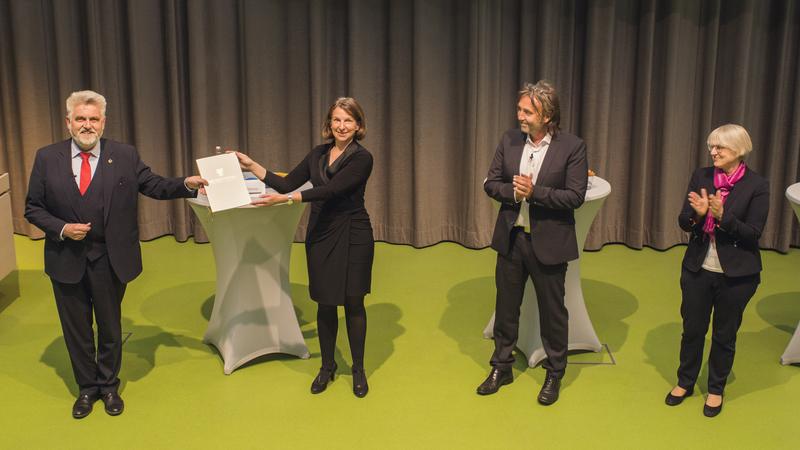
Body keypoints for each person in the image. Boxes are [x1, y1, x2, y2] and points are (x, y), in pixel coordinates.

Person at [24, 90, 207, 418]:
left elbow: (154, 185)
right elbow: (33, 208)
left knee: (109, 326)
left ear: (104, 123)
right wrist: (63, 228)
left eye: (93, 119)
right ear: (68, 122)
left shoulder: (123, 155)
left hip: (110, 259)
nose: (87, 125)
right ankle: (87, 389)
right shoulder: (45, 158)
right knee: (77, 329)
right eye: (80, 118)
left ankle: (108, 386)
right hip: (65, 259)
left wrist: (186, 184)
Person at [235, 97, 374, 398]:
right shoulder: (317, 155)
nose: (342, 126)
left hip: (353, 234)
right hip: (321, 234)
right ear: (329, 123)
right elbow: (287, 184)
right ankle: (327, 367)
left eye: (348, 120)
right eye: (337, 120)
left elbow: (332, 190)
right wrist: (253, 166)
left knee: (353, 302)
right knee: (325, 303)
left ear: (358, 126)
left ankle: (359, 370)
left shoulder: (362, 159)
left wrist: (288, 200)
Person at [479, 80, 588, 405]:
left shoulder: (572, 146)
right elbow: (491, 182)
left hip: (550, 243)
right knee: (506, 307)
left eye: (528, 111)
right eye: (520, 109)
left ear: (547, 114)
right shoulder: (510, 140)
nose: (521, 116)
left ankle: (555, 372)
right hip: (512, 239)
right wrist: (513, 193)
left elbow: (575, 196)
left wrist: (534, 193)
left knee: (553, 311)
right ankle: (502, 366)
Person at [665, 124, 769, 417]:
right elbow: (683, 221)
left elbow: (753, 233)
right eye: (711, 146)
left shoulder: (757, 186)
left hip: (737, 276)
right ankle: (685, 381)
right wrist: (697, 217)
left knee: (725, 334)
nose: (713, 152)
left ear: (738, 150)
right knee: (693, 329)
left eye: (719, 147)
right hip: (698, 267)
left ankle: (715, 389)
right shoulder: (702, 175)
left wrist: (723, 217)